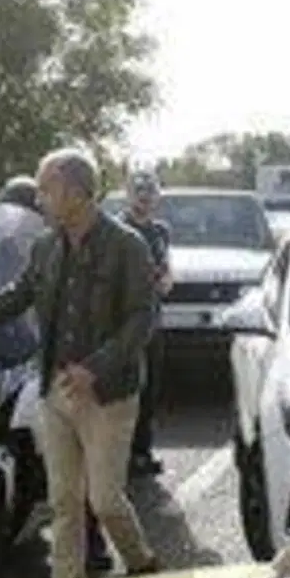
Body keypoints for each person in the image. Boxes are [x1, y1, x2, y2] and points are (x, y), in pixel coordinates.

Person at [0, 148, 161, 578]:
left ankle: (143, 565)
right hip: (54, 391)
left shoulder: (128, 245)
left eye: (46, 189)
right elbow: (17, 295)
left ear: (75, 193)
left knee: (105, 501)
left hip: (106, 395)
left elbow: (142, 319)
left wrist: (97, 367)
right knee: (64, 502)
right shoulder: (45, 245)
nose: (38, 200)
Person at [123, 171, 175, 478]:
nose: (144, 197)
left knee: (149, 389)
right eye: (138, 191)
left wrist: (165, 281)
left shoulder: (160, 231)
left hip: (152, 323)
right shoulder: (117, 229)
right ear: (128, 194)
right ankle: (122, 454)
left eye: (150, 192)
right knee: (126, 390)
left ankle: (142, 451)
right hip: (123, 324)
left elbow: (167, 270)